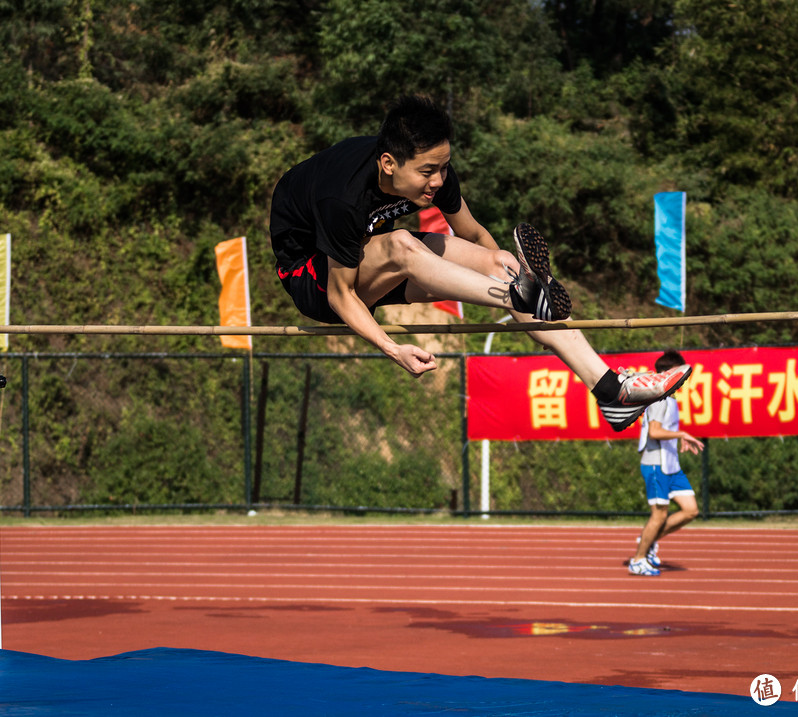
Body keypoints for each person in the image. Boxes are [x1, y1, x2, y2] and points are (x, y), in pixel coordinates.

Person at [268, 94, 691, 431]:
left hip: (365, 261)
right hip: (315, 280)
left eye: (444, 168)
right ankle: (521, 294)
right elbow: (340, 296)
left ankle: (610, 390)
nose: (438, 181)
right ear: (389, 164)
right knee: (400, 244)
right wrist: (392, 349)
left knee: (501, 263)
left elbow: (473, 235)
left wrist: (501, 264)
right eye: (428, 171)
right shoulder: (341, 196)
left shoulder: (433, 175)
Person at [628, 349, 705, 576]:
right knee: (659, 514)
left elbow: (664, 431)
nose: (683, 377)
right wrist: (681, 435)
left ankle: (648, 539)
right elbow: (655, 432)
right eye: (679, 372)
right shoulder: (659, 399)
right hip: (655, 465)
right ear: (668, 374)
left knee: (690, 510)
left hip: (671, 465)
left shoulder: (669, 400)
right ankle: (638, 559)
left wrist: (678, 441)